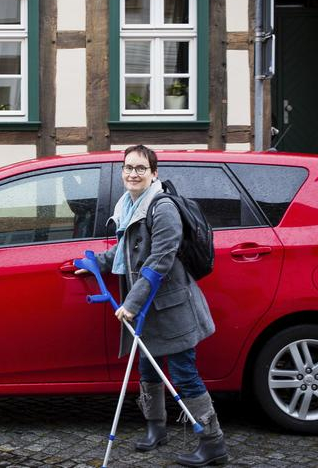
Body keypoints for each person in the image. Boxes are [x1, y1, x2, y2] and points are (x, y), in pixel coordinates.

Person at [78, 144, 227, 467]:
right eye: (128, 168)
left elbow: (159, 260)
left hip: (171, 308)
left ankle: (213, 442)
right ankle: (156, 428)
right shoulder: (129, 206)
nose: (133, 173)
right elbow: (127, 252)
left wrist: (130, 304)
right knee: (147, 369)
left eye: (140, 168)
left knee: (184, 373)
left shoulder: (162, 209)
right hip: (148, 307)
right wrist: (94, 262)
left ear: (154, 173)